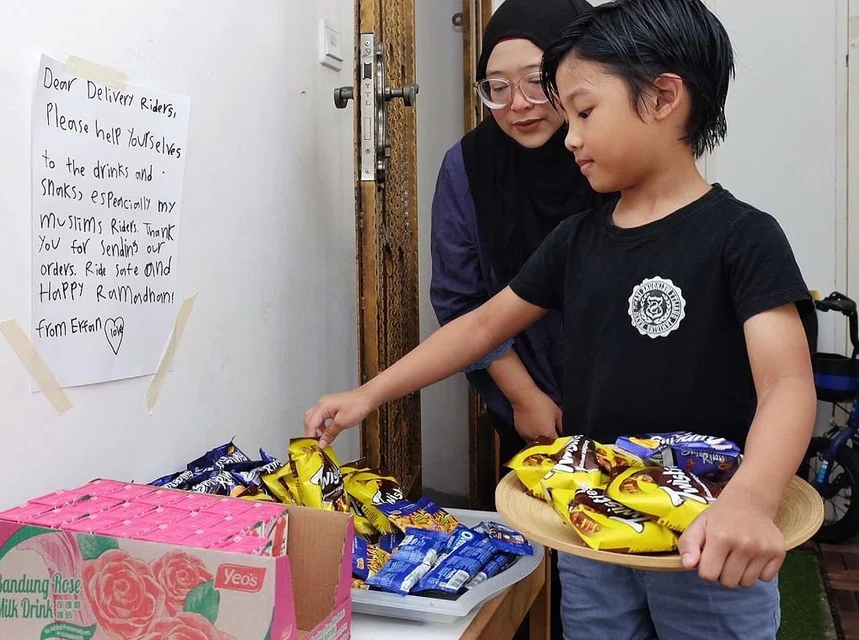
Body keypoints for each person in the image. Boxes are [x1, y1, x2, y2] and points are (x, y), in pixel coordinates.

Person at [305, 0, 816, 637]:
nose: (569, 136)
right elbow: (480, 326)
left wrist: (751, 500)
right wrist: (369, 394)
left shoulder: (744, 238)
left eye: (584, 111)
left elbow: (788, 384)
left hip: (709, 536)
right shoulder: (580, 237)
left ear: (662, 99)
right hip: (592, 525)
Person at [431, 0, 607, 471]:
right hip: (527, 394)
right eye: (498, 88)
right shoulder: (468, 165)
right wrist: (524, 396)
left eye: (537, 80)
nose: (518, 105)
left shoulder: (613, 151)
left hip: (627, 394)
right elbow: (460, 297)